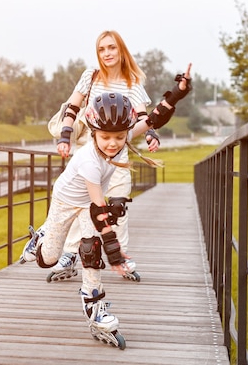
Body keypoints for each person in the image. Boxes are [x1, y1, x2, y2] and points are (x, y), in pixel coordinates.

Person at [20, 84, 191, 348]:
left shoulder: (121, 137)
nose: (113, 144)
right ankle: (40, 238)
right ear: (93, 133)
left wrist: (177, 93)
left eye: (120, 137)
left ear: (125, 133)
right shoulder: (89, 160)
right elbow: (101, 211)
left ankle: (96, 309)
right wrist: (117, 256)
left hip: (88, 203)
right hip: (66, 200)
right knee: (48, 260)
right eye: (106, 138)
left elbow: (154, 118)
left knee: (90, 249)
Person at [47, 30, 163, 283]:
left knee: (117, 207)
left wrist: (151, 134)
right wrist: (65, 135)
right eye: (102, 49)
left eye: (112, 48)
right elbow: (72, 107)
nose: (107, 53)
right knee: (84, 205)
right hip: (90, 152)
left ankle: (121, 255)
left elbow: (143, 117)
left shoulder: (133, 82)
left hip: (119, 153)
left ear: (121, 50)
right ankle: (69, 254)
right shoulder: (91, 77)